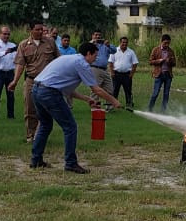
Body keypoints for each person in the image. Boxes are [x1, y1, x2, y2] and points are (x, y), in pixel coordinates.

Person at [29, 41, 122, 173]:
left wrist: (86, 99)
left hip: (37, 90)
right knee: (70, 127)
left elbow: (66, 89)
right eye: (95, 55)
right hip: (49, 93)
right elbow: (96, 89)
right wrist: (114, 101)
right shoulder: (82, 64)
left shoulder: (70, 58)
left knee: (45, 125)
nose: (97, 58)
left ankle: (36, 160)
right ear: (88, 54)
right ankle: (71, 164)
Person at [10, 21, 58, 141]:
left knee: (46, 109)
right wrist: (15, 81)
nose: (40, 32)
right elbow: (20, 65)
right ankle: (31, 135)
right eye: (37, 29)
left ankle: (41, 134)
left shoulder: (50, 42)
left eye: (42, 29)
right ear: (30, 30)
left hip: (47, 82)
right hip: (31, 80)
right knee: (29, 108)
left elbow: (58, 60)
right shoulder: (24, 45)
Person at [0, 26, 17, 120]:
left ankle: (11, 115)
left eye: (8, 34)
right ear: (0, 34)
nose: (6, 36)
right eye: (4, 34)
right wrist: (4, 52)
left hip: (10, 73)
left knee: (11, 95)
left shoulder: (13, 45)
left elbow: (16, 58)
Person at [148, 34, 175, 112]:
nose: (167, 45)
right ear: (161, 41)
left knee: (166, 94)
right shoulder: (155, 50)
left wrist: (170, 61)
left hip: (168, 75)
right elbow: (150, 61)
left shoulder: (171, 51)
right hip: (158, 74)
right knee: (155, 93)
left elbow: (174, 63)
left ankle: (163, 110)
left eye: (168, 43)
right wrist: (159, 61)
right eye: (165, 43)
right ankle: (150, 109)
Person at [110, 36, 139, 109]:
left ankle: (129, 104)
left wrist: (131, 74)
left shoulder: (131, 52)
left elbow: (135, 63)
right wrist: (112, 72)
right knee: (115, 90)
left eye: (126, 42)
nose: (124, 44)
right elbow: (111, 62)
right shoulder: (114, 50)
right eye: (123, 42)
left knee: (128, 90)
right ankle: (114, 104)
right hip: (116, 74)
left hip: (127, 75)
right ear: (120, 42)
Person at [90, 31, 116, 99]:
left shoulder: (105, 45)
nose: (98, 37)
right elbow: (85, 51)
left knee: (109, 87)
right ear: (92, 36)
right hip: (95, 68)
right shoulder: (90, 44)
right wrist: (93, 44)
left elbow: (114, 51)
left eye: (99, 35)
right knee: (96, 88)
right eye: (96, 35)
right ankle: (94, 106)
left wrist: (109, 45)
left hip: (105, 69)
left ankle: (109, 106)